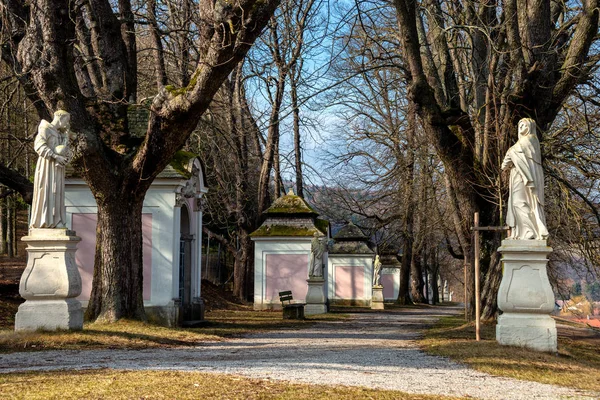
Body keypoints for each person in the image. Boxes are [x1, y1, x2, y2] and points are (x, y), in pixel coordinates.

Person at [501, 118, 549, 240]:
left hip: (526, 176)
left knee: (519, 202)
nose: (521, 127)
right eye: (520, 125)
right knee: (516, 203)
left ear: (530, 127)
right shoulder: (521, 144)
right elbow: (505, 164)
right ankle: (519, 232)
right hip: (519, 175)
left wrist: (509, 154)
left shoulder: (531, 140)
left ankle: (529, 231)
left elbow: (509, 157)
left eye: (524, 125)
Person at [30, 110, 74, 229]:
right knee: (47, 190)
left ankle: (56, 220)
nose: (67, 123)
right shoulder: (45, 128)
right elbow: (39, 146)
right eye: (66, 120)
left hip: (57, 168)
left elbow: (63, 150)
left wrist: (65, 155)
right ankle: (45, 221)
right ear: (59, 117)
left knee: (57, 192)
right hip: (47, 166)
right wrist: (55, 156)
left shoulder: (60, 133)